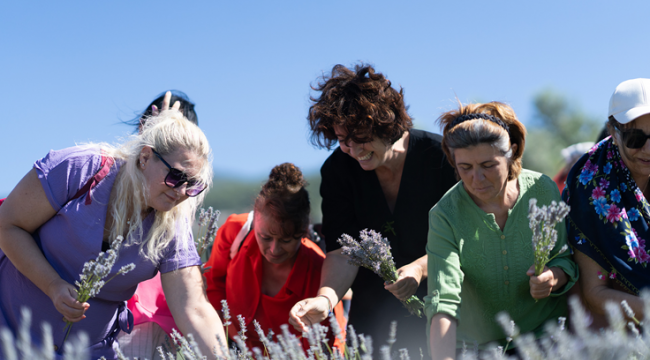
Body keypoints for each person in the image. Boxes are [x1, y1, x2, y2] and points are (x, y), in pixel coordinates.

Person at [0, 108, 225, 359]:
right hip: (8, 331)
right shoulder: (81, 169)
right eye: (176, 176)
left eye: (192, 184)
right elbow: (8, 225)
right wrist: (53, 285)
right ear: (145, 157)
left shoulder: (173, 224)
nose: (182, 191)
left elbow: (193, 307)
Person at [289, 64, 458, 353]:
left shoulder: (441, 157)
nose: (354, 151)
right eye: (343, 141)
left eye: (361, 138)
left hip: (443, 308)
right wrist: (326, 299)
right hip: (372, 318)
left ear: (386, 123)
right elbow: (344, 252)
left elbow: (464, 240)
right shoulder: (338, 171)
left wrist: (419, 268)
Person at [426, 102, 578, 359]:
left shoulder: (542, 190)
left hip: (546, 338)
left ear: (512, 153)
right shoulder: (445, 215)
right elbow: (444, 301)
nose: (477, 178)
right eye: (465, 168)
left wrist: (552, 278)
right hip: (478, 348)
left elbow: (565, 258)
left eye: (488, 165)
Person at [204, 163, 346, 351]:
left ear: (304, 231)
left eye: (286, 240)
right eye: (265, 237)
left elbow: (332, 344)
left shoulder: (320, 272)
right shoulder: (235, 233)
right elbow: (213, 287)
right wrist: (232, 339)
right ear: (255, 221)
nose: (274, 249)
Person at [565, 78, 650, 325]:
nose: (648, 149)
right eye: (635, 139)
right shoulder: (590, 186)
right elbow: (595, 293)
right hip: (613, 332)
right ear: (613, 131)